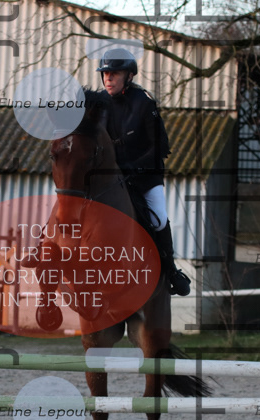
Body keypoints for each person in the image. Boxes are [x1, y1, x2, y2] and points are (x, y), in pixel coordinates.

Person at [97, 48, 191, 296]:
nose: (108, 78)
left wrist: (135, 168)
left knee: (158, 218)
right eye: (105, 73)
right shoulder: (99, 104)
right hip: (111, 179)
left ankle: (171, 271)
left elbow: (160, 146)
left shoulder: (144, 102)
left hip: (144, 177)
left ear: (129, 76)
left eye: (115, 73)